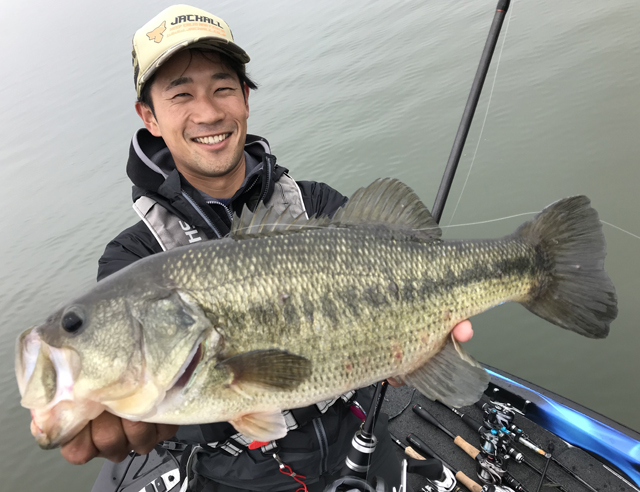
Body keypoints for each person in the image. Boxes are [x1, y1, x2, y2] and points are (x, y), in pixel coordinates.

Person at [55, 5, 474, 491]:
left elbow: (397, 301)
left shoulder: (318, 207)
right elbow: (159, 387)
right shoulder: (133, 262)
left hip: (358, 433)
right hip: (238, 474)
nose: (208, 112)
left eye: (222, 88)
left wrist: (412, 350)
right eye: (181, 94)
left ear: (245, 98)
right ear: (148, 116)